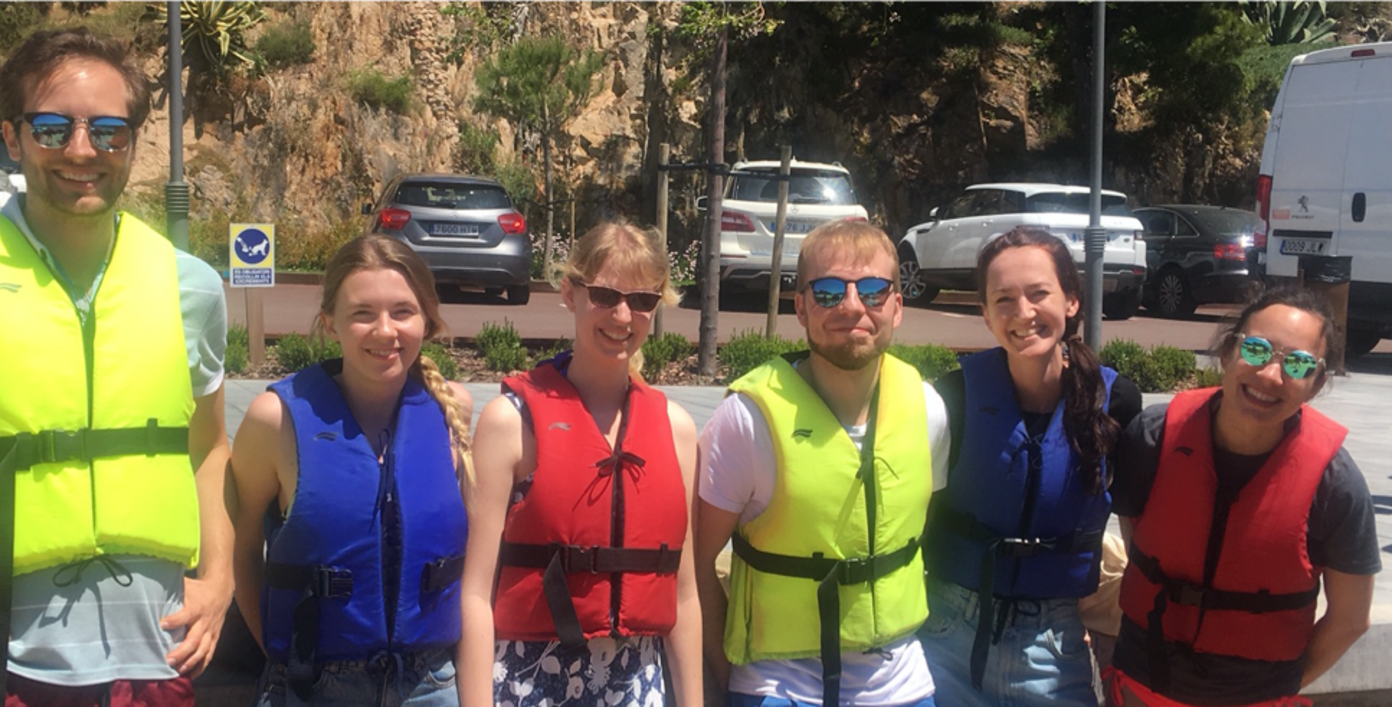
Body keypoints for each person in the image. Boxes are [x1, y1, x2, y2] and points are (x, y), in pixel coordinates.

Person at [0, 28, 232, 707]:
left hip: (153, 663)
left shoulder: (190, 286)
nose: (81, 150)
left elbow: (209, 445)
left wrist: (220, 578)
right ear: (12, 138)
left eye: (107, 130)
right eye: (51, 127)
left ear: (133, 141)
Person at [696, 219, 951, 707]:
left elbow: (918, 534)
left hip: (900, 683)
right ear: (801, 307)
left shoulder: (928, 409)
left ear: (897, 307)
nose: (852, 306)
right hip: (778, 684)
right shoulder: (747, 419)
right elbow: (695, 563)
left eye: (875, 291)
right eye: (829, 291)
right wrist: (728, 676)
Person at [461, 221, 701, 707]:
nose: (622, 315)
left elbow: (685, 593)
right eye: (605, 294)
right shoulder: (511, 422)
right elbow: (474, 594)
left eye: (642, 300)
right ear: (570, 293)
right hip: (526, 680)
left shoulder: (676, 429)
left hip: (636, 683)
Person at [230, 235, 475, 706]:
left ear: (427, 319)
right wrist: (282, 656)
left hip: (430, 685)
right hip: (312, 683)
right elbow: (243, 552)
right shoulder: (275, 419)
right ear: (331, 323)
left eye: (403, 311)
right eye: (363, 313)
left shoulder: (454, 411)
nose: (385, 330)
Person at [1108, 286, 1381, 706]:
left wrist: (1279, 685)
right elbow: (1137, 539)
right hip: (1143, 687)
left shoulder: (1337, 485)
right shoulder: (1153, 437)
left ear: (1317, 382)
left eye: (1298, 363)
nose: (1271, 375)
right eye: (1256, 350)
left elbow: (1350, 619)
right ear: (1227, 353)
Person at [917, 226, 1142, 706]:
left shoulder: (1115, 402)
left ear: (1072, 302)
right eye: (1003, 299)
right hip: (947, 630)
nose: (1023, 313)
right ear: (984, 313)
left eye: (1039, 294)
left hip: (1056, 640)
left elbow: (1140, 525)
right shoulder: (953, 396)